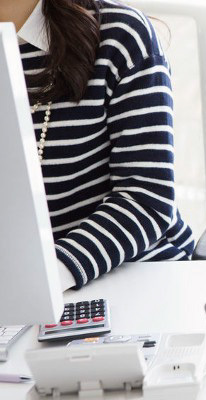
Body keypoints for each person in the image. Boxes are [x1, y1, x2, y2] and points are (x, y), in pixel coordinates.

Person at [0, 0, 195, 291]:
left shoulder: (120, 36)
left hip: (136, 274)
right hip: (18, 291)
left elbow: (146, 199)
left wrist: (44, 280)